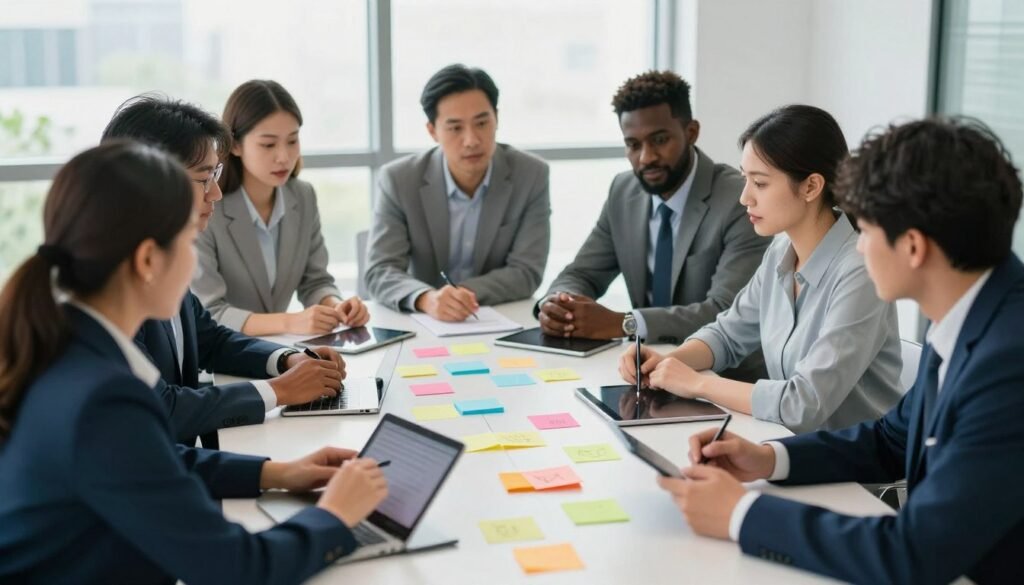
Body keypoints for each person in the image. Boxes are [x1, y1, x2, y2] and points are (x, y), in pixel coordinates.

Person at [656, 117, 1024, 584]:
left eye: (866, 230)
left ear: (912, 247)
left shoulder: (1009, 361)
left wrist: (742, 515)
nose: (860, 246)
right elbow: (891, 439)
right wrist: (768, 458)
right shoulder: (969, 312)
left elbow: (915, 553)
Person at [0, 141, 388, 583]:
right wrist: (336, 516)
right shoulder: (102, 396)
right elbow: (238, 567)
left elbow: (147, 462)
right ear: (148, 259)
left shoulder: (61, 346)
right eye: (188, 240)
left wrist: (278, 472)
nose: (194, 260)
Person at [620, 105, 902, 433]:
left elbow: (803, 404)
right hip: (787, 444)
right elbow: (727, 335)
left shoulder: (860, 272)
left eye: (760, 183)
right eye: (745, 180)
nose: (745, 198)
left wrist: (696, 384)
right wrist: (670, 362)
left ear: (811, 187)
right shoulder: (781, 252)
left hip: (856, 471)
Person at [102, 95, 343, 446]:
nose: (215, 193)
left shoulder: (161, 254)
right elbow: (161, 407)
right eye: (203, 178)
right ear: (150, 180)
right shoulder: (112, 280)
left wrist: (288, 360)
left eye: (215, 174)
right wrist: (278, 391)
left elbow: (210, 339)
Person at [537, 70, 769, 380]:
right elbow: (582, 272)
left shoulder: (738, 200)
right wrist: (558, 305)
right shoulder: (623, 191)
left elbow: (725, 311)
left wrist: (624, 323)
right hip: (645, 373)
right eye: (633, 144)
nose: (646, 157)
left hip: (726, 379)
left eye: (659, 140)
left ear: (691, 132)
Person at [365, 64, 551, 321]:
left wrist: (458, 295)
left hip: (497, 318)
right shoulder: (399, 179)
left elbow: (527, 271)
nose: (471, 140)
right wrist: (427, 299)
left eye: (482, 123)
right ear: (432, 131)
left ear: (497, 118)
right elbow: (380, 270)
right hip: (423, 322)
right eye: (455, 128)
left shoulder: (531, 175)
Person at [192, 80, 369, 336]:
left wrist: (336, 305)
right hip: (220, 360)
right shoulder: (208, 207)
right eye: (268, 144)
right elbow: (210, 312)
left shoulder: (303, 196)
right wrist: (289, 322)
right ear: (236, 145)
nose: (284, 157)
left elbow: (315, 281)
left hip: (281, 351)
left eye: (292, 141)